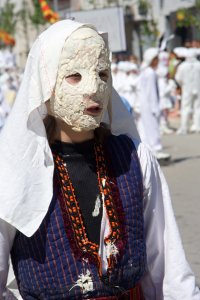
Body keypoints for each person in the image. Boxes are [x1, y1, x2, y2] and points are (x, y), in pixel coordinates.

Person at [0, 20, 199, 300]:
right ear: (46, 83)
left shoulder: (133, 158)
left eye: (103, 73)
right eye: (74, 76)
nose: (93, 88)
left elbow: (169, 269)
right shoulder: (14, 170)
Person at [137, 48, 170, 161]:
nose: (158, 61)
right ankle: (156, 149)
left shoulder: (146, 71)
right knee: (153, 127)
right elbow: (152, 93)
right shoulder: (150, 73)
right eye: (156, 58)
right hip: (150, 105)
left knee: (146, 127)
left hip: (145, 104)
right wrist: (155, 107)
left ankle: (151, 150)